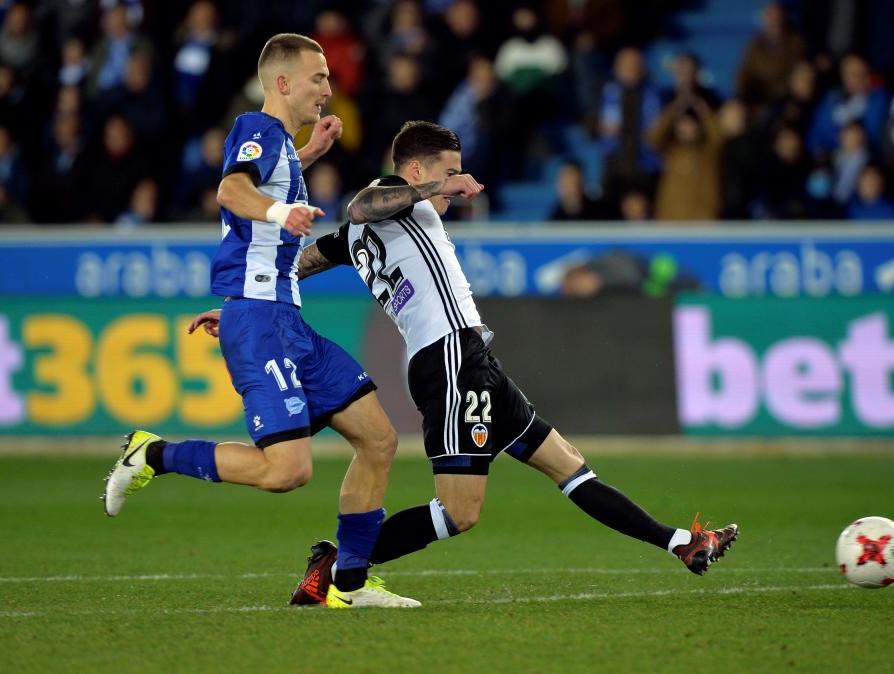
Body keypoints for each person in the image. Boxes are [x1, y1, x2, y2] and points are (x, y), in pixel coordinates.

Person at [191, 121, 738, 607]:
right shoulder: (390, 197)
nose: (459, 181)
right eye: (448, 171)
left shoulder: (362, 233)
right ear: (413, 170)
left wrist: (246, 303)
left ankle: (681, 544)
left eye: (458, 171)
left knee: (569, 465)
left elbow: (310, 257)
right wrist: (436, 187)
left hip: (473, 358)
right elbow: (363, 206)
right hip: (449, 358)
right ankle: (338, 564)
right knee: (460, 512)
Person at [102, 33, 417, 609]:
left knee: (379, 439)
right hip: (262, 322)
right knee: (285, 471)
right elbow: (231, 189)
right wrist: (281, 213)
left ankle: (347, 584)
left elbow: (262, 193)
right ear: (282, 83)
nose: (328, 88)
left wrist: (310, 157)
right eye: (318, 77)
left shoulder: (278, 148)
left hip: (283, 318)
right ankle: (151, 454)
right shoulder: (256, 126)